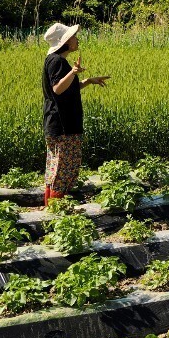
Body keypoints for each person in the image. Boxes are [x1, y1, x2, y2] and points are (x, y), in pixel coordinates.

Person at [42, 23, 110, 205]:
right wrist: (72, 72)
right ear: (65, 42)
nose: (77, 39)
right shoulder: (57, 61)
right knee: (63, 169)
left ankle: (51, 208)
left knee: (55, 167)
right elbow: (57, 89)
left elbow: (67, 88)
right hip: (63, 124)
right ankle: (56, 211)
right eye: (73, 37)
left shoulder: (53, 60)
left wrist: (87, 81)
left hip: (57, 123)